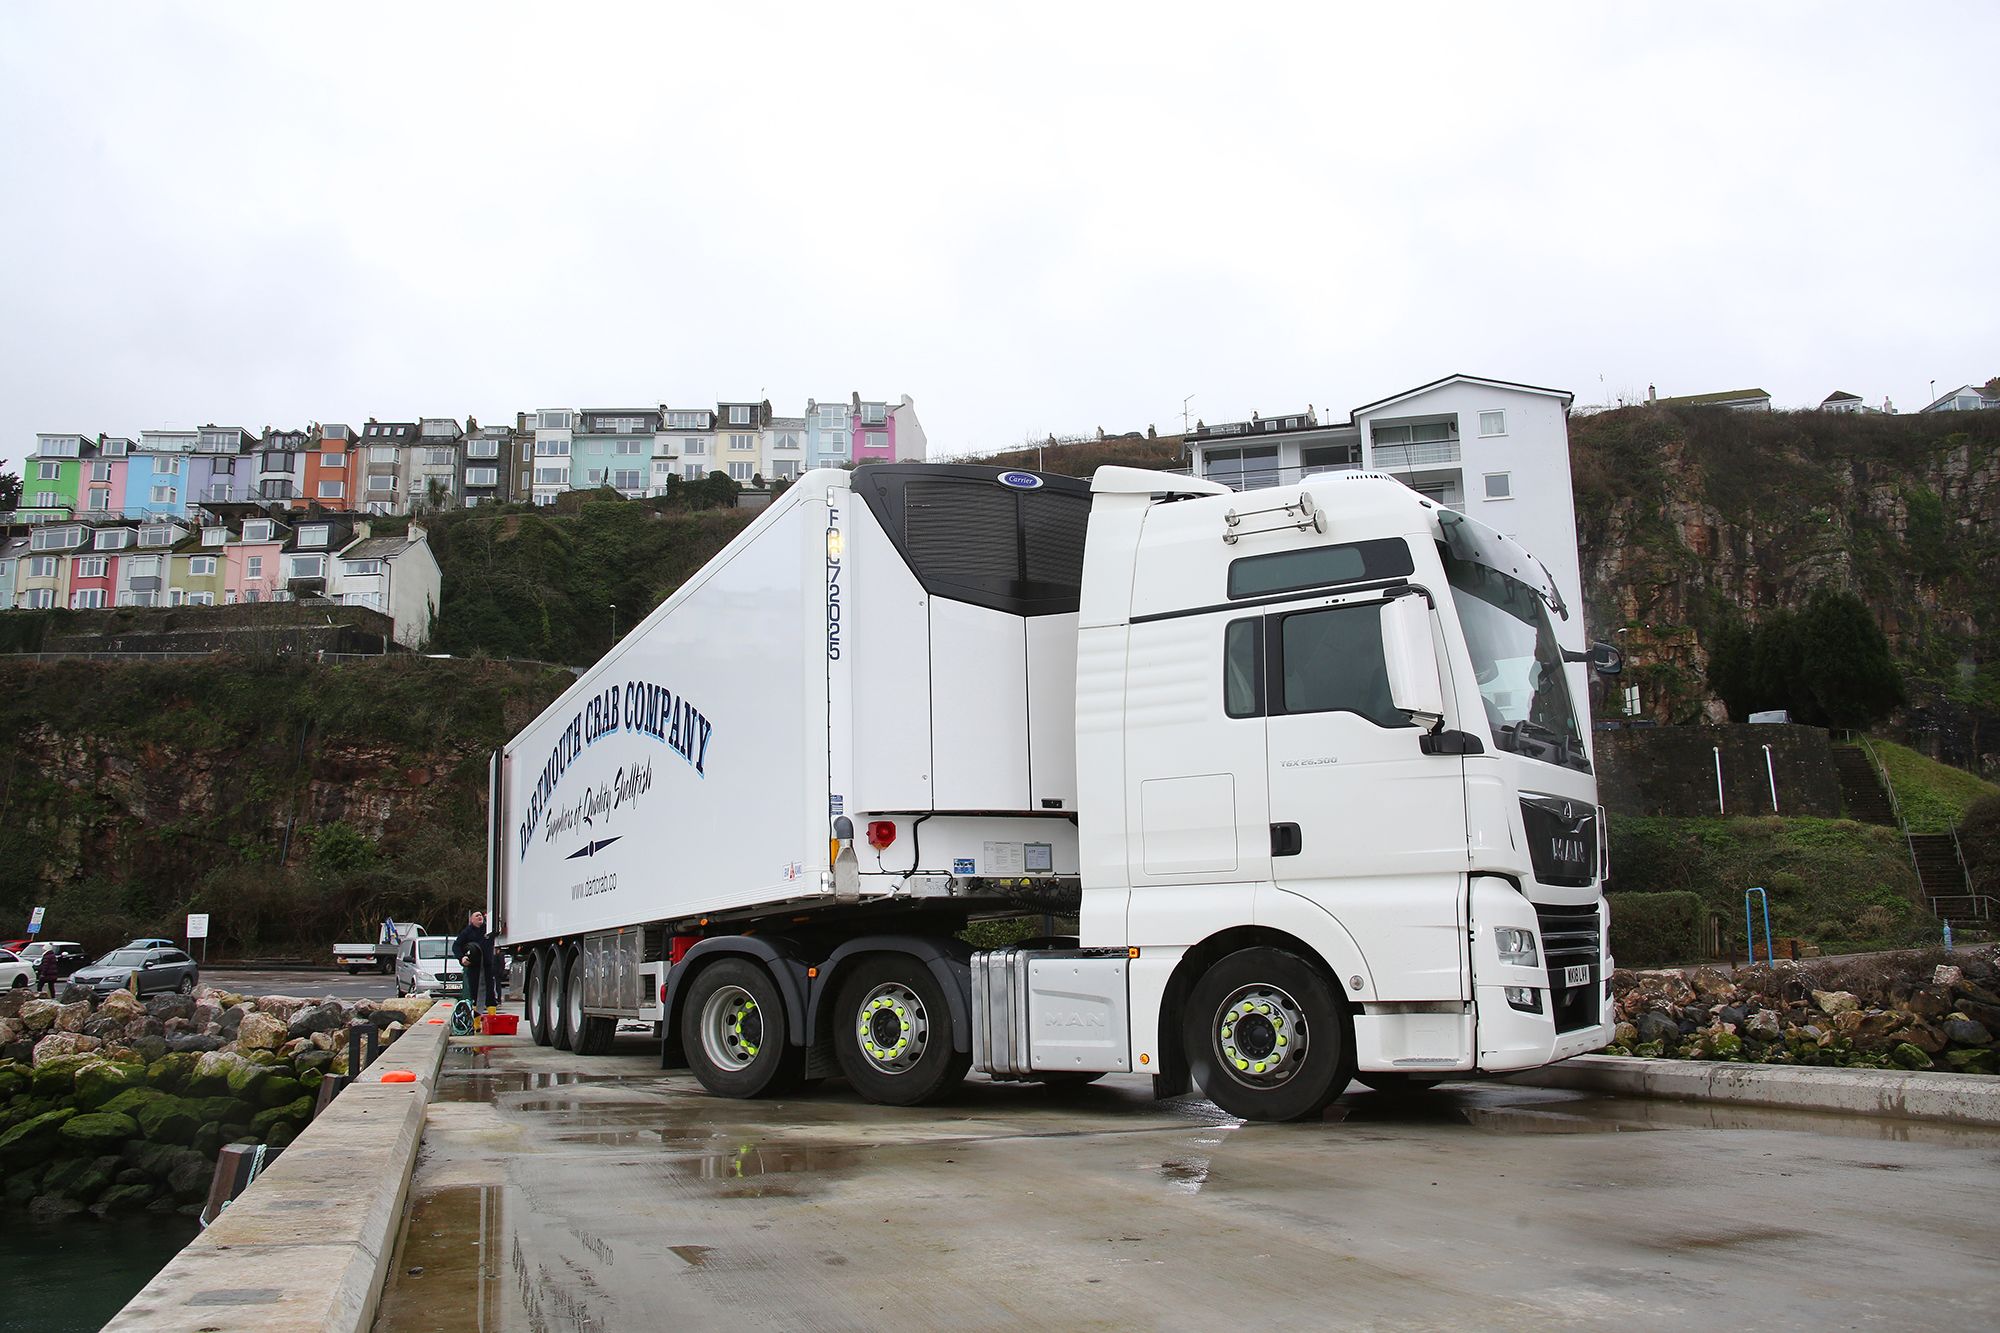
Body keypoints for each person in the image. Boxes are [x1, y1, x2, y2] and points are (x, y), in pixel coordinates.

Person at [452, 910, 500, 1011]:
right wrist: (462, 957)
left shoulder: (488, 930)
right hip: (474, 967)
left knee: (490, 994)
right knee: (475, 994)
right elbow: (456, 946)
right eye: (477, 916)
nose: (480, 917)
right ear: (471, 920)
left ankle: (492, 1020)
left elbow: (499, 936)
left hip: (487, 966)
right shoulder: (467, 932)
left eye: (481, 916)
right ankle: (476, 1023)